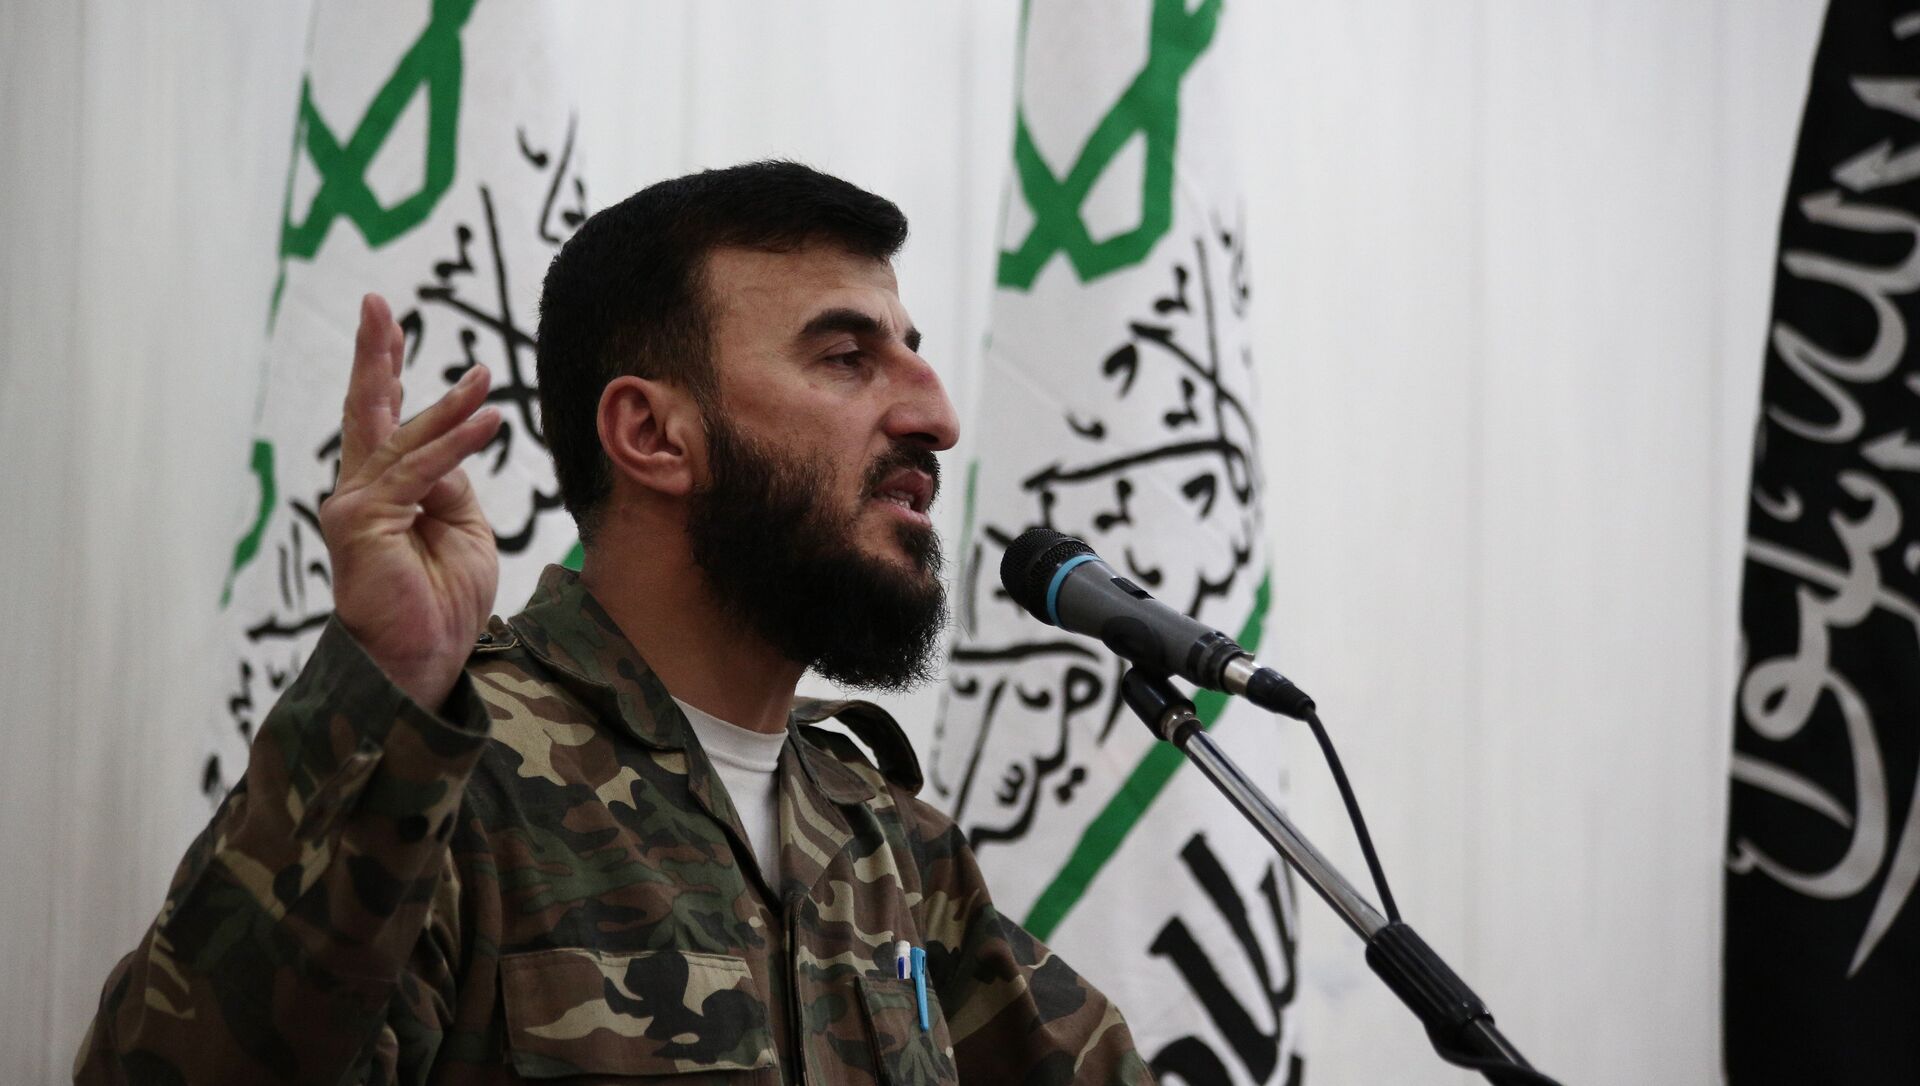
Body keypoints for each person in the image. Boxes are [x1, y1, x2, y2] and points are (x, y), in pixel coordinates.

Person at [75, 162, 1153, 1085]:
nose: (936, 416)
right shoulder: (446, 783)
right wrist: (381, 689)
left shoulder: (890, 849)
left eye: (912, 352)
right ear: (652, 434)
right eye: (845, 357)